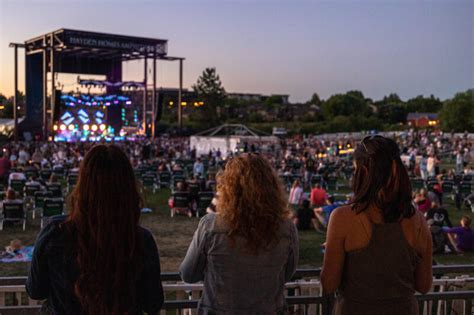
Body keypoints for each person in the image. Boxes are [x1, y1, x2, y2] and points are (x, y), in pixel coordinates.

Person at [26, 145, 164, 314]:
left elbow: (35, 290)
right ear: (128, 188)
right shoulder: (140, 240)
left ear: (83, 186)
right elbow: (153, 302)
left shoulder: (55, 233)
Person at [321, 135, 432, 315]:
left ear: (363, 172)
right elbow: (424, 285)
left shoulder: (343, 218)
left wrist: (333, 249)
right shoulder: (418, 220)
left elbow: (328, 283)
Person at [180, 153, 298, 314]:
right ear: (271, 186)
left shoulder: (210, 225)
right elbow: (287, 273)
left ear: (228, 186)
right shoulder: (286, 228)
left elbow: (188, 274)